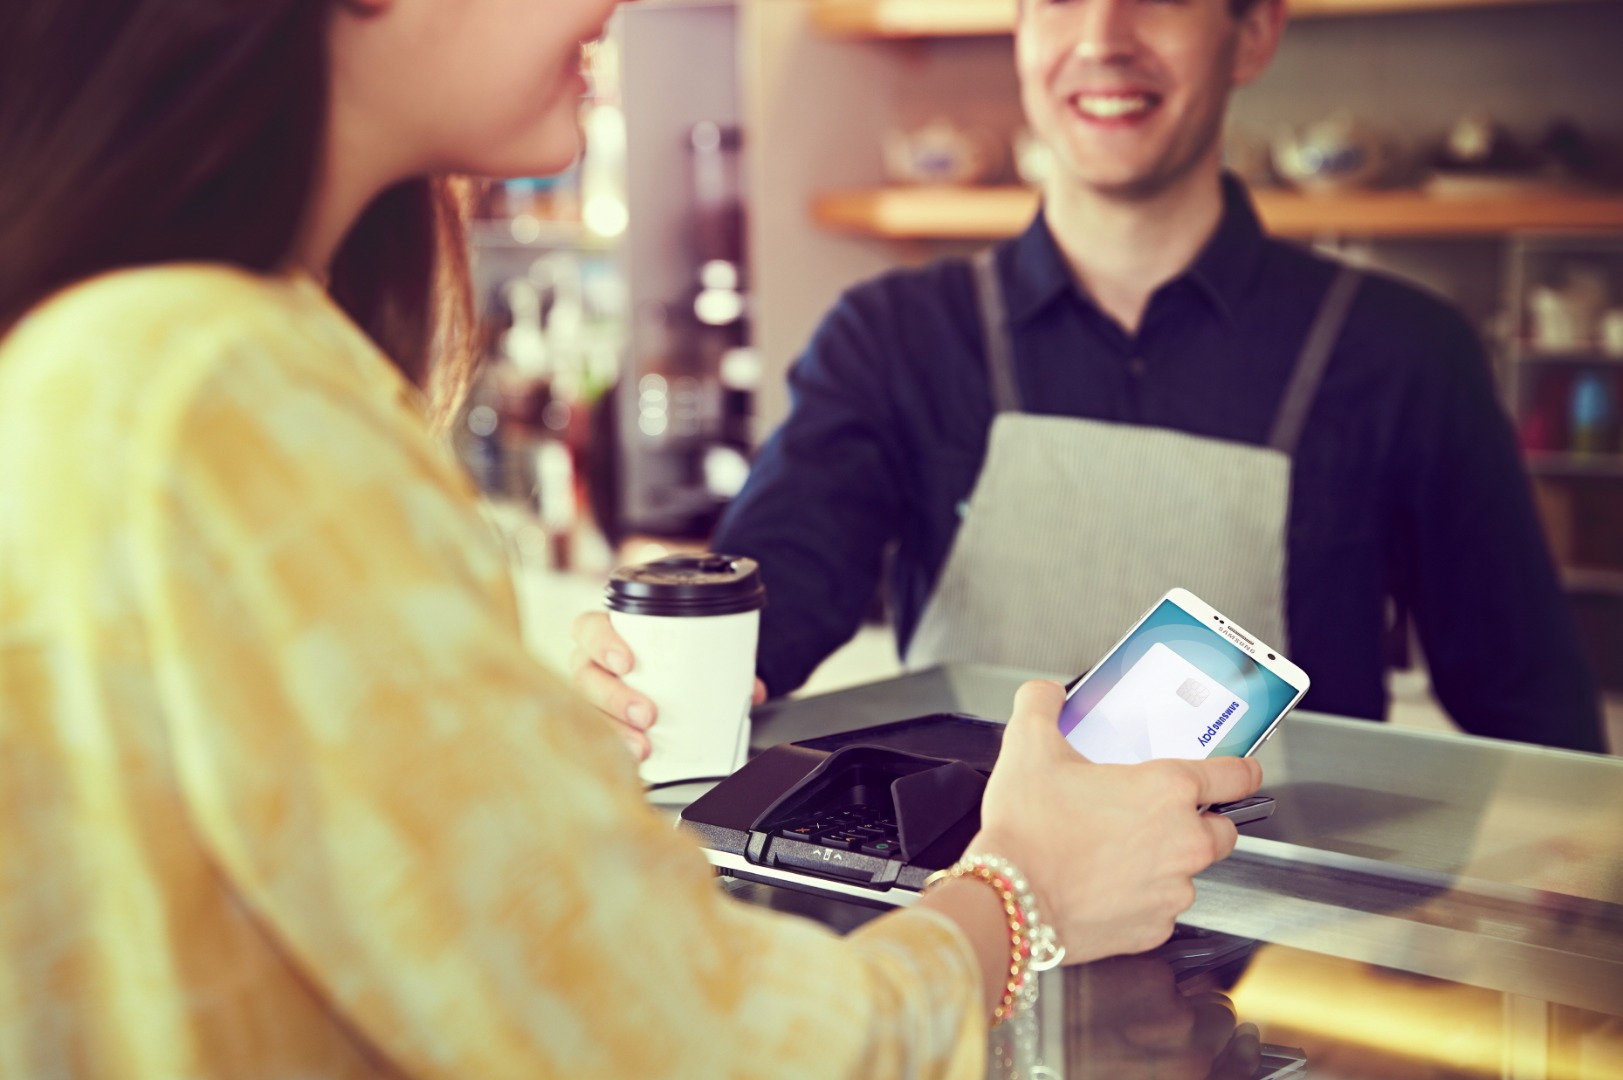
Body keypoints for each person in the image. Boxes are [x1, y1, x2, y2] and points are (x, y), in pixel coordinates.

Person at [0, 1, 1266, 1076]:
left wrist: (513, 745)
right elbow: (700, 1049)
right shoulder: (228, 395)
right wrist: (1021, 896)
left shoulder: (142, 358)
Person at [572, 0, 1605, 756]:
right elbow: (781, 589)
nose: (1103, 39)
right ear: (1021, 30)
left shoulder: (1404, 355)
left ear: (1253, 32)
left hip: (1286, 954)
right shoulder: (892, 339)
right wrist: (660, 668)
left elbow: (1537, 728)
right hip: (970, 924)